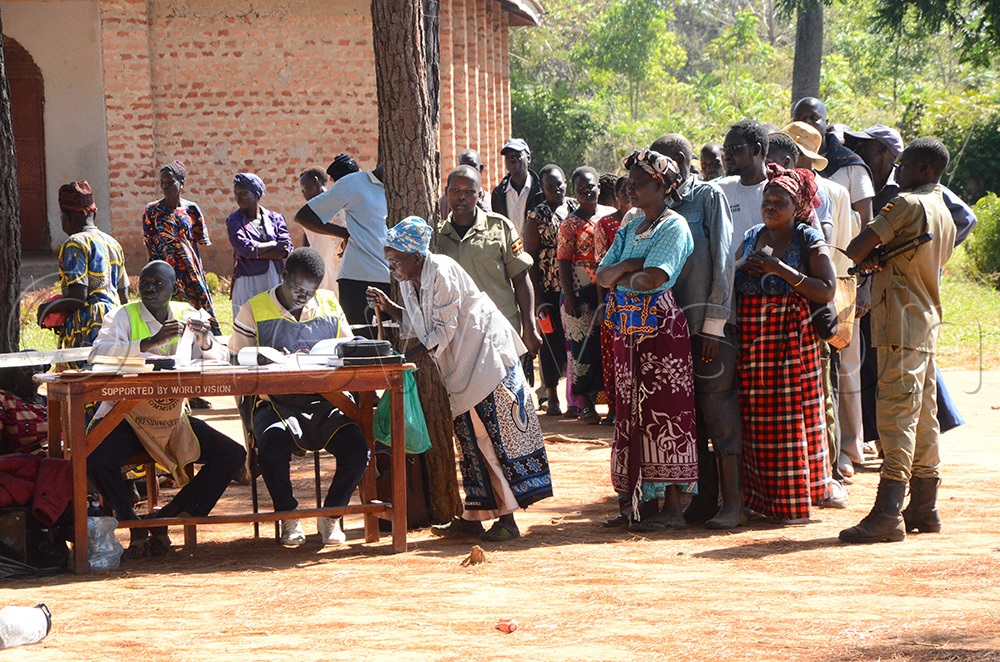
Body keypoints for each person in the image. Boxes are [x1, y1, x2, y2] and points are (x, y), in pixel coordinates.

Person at [366, 218, 553, 542]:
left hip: (486, 359)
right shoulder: (410, 280)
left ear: (415, 256)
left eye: (395, 259)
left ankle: (507, 520)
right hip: (461, 367)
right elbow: (418, 322)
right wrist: (390, 307)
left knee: (490, 437)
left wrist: (406, 357)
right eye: (389, 259)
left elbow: (442, 330)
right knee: (470, 439)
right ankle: (475, 515)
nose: (391, 266)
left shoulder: (441, 271)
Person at [87, 261, 247, 559]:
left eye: (158, 283)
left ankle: (166, 518)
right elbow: (98, 356)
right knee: (94, 457)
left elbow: (222, 357)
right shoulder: (123, 316)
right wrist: (149, 343)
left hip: (170, 418)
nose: (148, 287)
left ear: (174, 288)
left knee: (232, 455)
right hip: (127, 418)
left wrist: (206, 340)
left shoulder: (188, 314)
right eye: (144, 282)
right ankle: (130, 520)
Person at [840, 139, 956, 544]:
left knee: (895, 416)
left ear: (924, 167)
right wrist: (884, 256)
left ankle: (888, 512)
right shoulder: (944, 209)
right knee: (923, 417)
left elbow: (856, 248)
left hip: (898, 325)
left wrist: (871, 254)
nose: (897, 172)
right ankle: (924, 506)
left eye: (904, 165)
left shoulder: (907, 204)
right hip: (924, 322)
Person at [229, 248, 369, 546]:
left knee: (358, 449)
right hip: (277, 403)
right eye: (297, 289)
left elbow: (348, 352)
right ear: (283, 277)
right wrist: (260, 359)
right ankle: (288, 516)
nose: (304, 296)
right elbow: (235, 361)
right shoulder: (254, 308)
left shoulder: (329, 304)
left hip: (329, 402)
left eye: (311, 291)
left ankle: (331, 516)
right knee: (272, 448)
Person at [846, 124, 974, 445]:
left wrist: (924, 255)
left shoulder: (908, 195)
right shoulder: (867, 184)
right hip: (892, 296)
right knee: (904, 376)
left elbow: (965, 219)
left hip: (902, 301)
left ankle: (894, 473)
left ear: (891, 155)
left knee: (902, 384)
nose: (860, 153)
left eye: (868, 148)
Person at [595, 149, 697, 532]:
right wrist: (629, 267)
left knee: (667, 413)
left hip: (661, 332)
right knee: (629, 413)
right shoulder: (631, 223)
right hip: (627, 330)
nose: (629, 190)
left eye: (637, 184)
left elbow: (653, 280)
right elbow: (603, 275)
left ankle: (672, 507)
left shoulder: (675, 227)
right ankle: (636, 504)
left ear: (659, 185)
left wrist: (626, 270)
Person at [734, 164, 837, 523]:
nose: (771, 207)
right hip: (754, 339)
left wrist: (779, 269)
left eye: (780, 202)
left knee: (792, 421)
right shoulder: (751, 236)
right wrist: (743, 266)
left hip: (793, 341)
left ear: (798, 208)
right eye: (767, 200)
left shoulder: (808, 238)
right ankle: (760, 499)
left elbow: (826, 289)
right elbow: (729, 277)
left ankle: (794, 502)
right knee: (757, 420)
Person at [648, 134, 741, 530]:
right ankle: (700, 504)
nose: (661, 170)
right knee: (688, 419)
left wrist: (714, 327)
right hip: (669, 331)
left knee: (717, 413)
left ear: (685, 162)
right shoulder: (657, 205)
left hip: (707, 327)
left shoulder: (707, 197)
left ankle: (733, 506)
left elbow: (723, 260)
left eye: (667, 162)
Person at [438, 165, 542, 358]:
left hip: (500, 329)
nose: (462, 197)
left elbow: (521, 278)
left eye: (469, 192)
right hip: (457, 336)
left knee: (506, 387)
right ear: (446, 193)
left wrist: (530, 327)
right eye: (456, 191)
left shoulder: (500, 228)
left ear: (479, 194)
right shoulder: (437, 236)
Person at [36, 181, 129, 369]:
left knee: (82, 386)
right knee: (107, 386)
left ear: (68, 215)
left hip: (88, 324)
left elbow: (78, 297)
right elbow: (124, 294)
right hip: (115, 323)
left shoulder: (75, 243)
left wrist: (46, 308)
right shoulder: (113, 243)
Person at [292, 162, 390, 334]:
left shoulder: (402, 187)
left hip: (392, 278)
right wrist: (345, 233)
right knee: (361, 341)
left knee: (390, 341)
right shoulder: (353, 183)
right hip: (359, 279)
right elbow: (304, 216)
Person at [558, 167, 616, 425]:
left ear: (599, 188)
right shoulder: (569, 224)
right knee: (581, 349)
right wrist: (569, 297)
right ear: (574, 193)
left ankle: (610, 401)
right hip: (579, 292)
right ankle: (586, 404)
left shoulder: (608, 215)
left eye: (590, 187)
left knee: (605, 347)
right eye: (581, 189)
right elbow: (563, 261)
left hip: (607, 288)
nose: (587, 192)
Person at [523, 164, 579, 416]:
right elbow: (530, 258)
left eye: (559, 184)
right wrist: (538, 298)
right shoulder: (537, 216)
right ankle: (552, 396)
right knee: (549, 342)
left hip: (575, 286)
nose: (556, 189)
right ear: (542, 189)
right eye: (549, 186)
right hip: (549, 288)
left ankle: (578, 398)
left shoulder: (576, 208)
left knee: (576, 341)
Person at [142, 161, 220, 335]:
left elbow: (197, 242)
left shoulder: (192, 209)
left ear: (181, 183)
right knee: (168, 312)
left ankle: (203, 345)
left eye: (170, 183)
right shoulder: (152, 210)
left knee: (196, 313)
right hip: (164, 269)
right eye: (162, 183)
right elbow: (149, 243)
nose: (165, 187)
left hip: (188, 270)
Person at [792, 97, 875, 225]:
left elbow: (866, 221)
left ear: (826, 122)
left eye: (814, 118)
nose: (807, 123)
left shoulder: (851, 165)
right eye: (801, 119)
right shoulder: (785, 160)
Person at [226, 173, 292, 320]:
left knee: (274, 317)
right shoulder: (234, 220)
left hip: (273, 277)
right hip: (247, 278)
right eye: (236, 194)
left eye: (244, 193)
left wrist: (253, 252)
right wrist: (273, 245)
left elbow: (285, 248)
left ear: (256, 194)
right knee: (248, 319)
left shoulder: (275, 218)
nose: (239, 197)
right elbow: (243, 247)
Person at [593, 176, 630, 427]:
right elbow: (600, 266)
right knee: (612, 354)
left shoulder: (645, 222)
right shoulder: (605, 223)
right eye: (624, 192)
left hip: (640, 296)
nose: (629, 196)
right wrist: (602, 303)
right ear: (616, 195)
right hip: (613, 297)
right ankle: (614, 407)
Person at [716, 120, 769, 253]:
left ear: (756, 149)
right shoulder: (721, 190)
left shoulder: (780, 192)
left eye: (734, 149)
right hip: (732, 273)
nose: (727, 156)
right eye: (725, 150)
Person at [491, 138, 545, 235]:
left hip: (535, 250)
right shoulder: (498, 194)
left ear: (528, 158)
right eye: (508, 157)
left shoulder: (541, 191)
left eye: (517, 155)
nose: (512, 159)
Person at [0, 363, 48, 456]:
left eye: (38, 368)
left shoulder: (53, 400)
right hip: (27, 464)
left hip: (61, 458)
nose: (33, 372)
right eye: (25, 368)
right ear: (14, 374)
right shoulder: (6, 401)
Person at [439, 149, 491, 219]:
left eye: (472, 165)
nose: (467, 170)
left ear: (481, 168)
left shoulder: (489, 200)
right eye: (463, 166)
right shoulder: (446, 200)